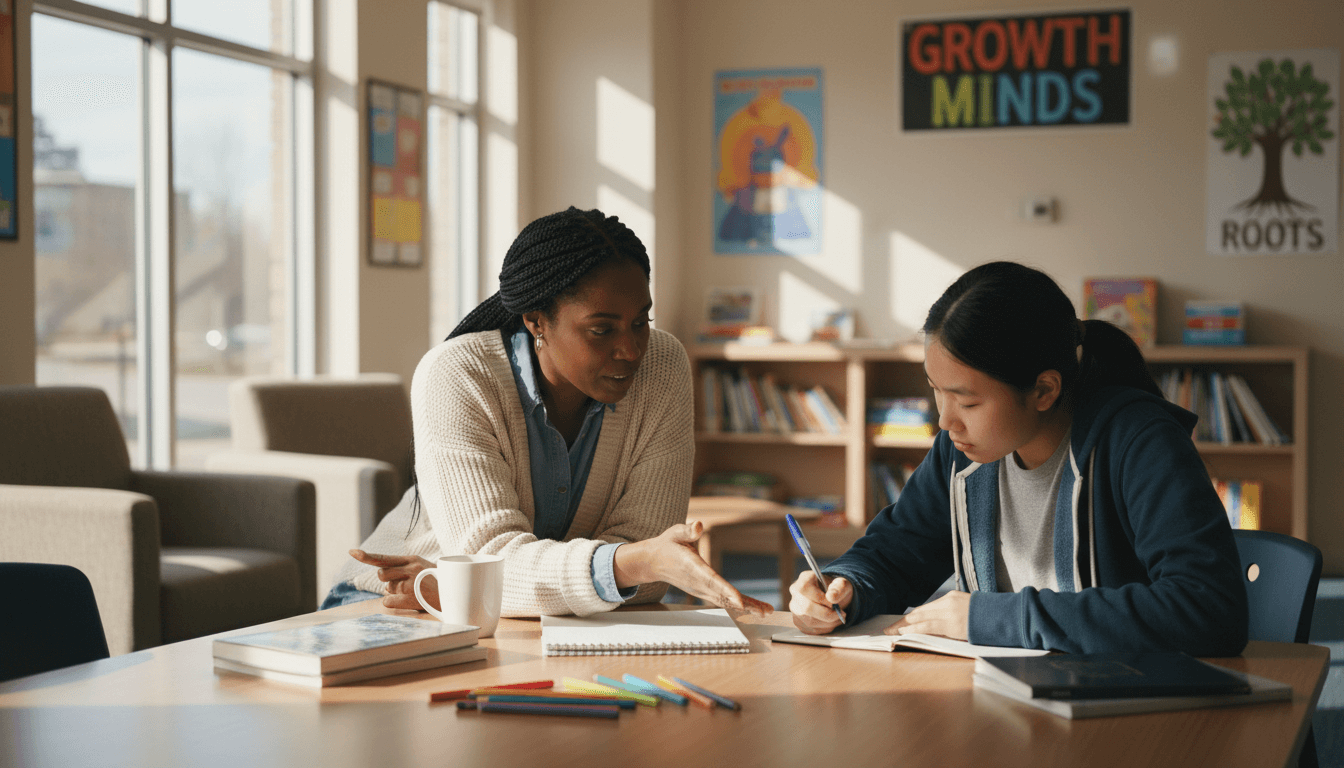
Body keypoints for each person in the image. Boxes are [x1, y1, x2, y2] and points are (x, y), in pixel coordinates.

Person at [325, 206, 772, 619]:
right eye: (602, 330)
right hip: (396, 599)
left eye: (641, 321)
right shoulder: (456, 376)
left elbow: (648, 577)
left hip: (513, 612)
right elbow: (630, 563)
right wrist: (633, 563)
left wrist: (480, 583)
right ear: (536, 321)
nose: (632, 349)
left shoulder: (663, 365)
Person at [790, 261, 1248, 656]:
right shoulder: (961, 450)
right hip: (1009, 699)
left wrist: (991, 618)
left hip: (1130, 711)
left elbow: (1207, 608)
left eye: (967, 402)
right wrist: (843, 587)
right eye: (936, 392)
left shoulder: (1139, 443)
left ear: (1044, 390)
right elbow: (896, 554)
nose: (946, 421)